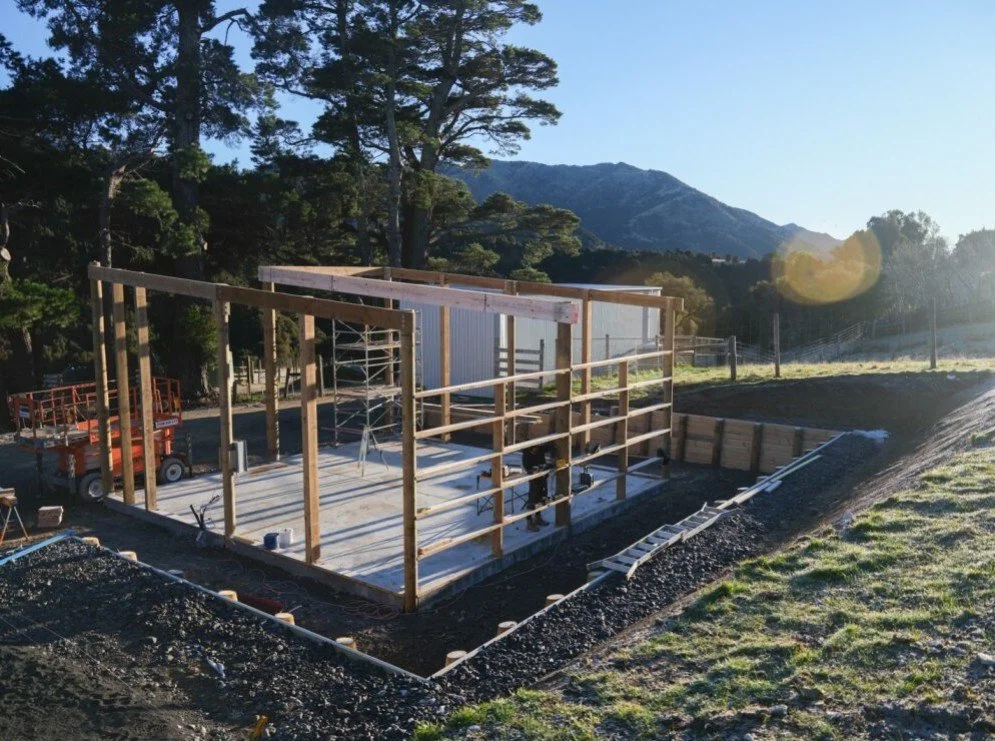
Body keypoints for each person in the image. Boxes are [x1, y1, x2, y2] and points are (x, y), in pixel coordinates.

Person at [521, 439, 557, 532]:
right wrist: (539, 468)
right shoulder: (527, 455)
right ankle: (529, 522)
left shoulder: (540, 449)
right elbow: (528, 468)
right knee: (532, 500)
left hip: (543, 477)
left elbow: (550, 446)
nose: (536, 449)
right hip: (534, 479)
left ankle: (538, 517)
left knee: (541, 498)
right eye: (534, 448)